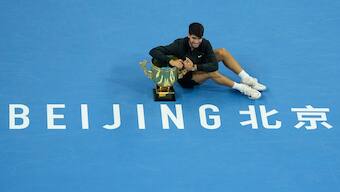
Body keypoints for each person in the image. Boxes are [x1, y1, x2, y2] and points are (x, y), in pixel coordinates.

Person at [149, 22, 266, 99]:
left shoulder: (205, 44)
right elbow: (154, 51)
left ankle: (246, 79)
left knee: (222, 52)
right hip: (187, 79)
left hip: (196, 67)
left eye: (199, 39)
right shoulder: (179, 45)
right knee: (212, 73)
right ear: (188, 35)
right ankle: (243, 88)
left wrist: (194, 67)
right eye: (194, 38)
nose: (196, 42)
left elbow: (214, 65)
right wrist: (172, 62)